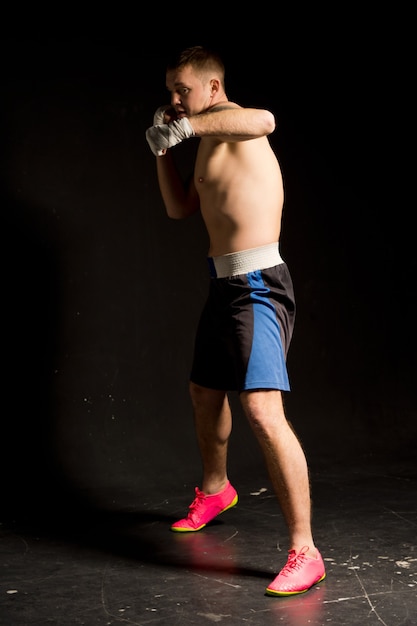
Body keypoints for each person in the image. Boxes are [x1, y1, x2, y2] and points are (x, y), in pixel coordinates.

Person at [145, 45, 326, 597]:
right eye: (169, 92)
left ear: (213, 88)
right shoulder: (200, 140)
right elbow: (180, 210)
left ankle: (306, 550)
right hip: (223, 285)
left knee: (261, 409)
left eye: (183, 90)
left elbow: (265, 118)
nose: (174, 101)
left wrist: (188, 127)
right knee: (204, 392)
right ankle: (217, 488)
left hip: (259, 285)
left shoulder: (236, 124)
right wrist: (160, 151)